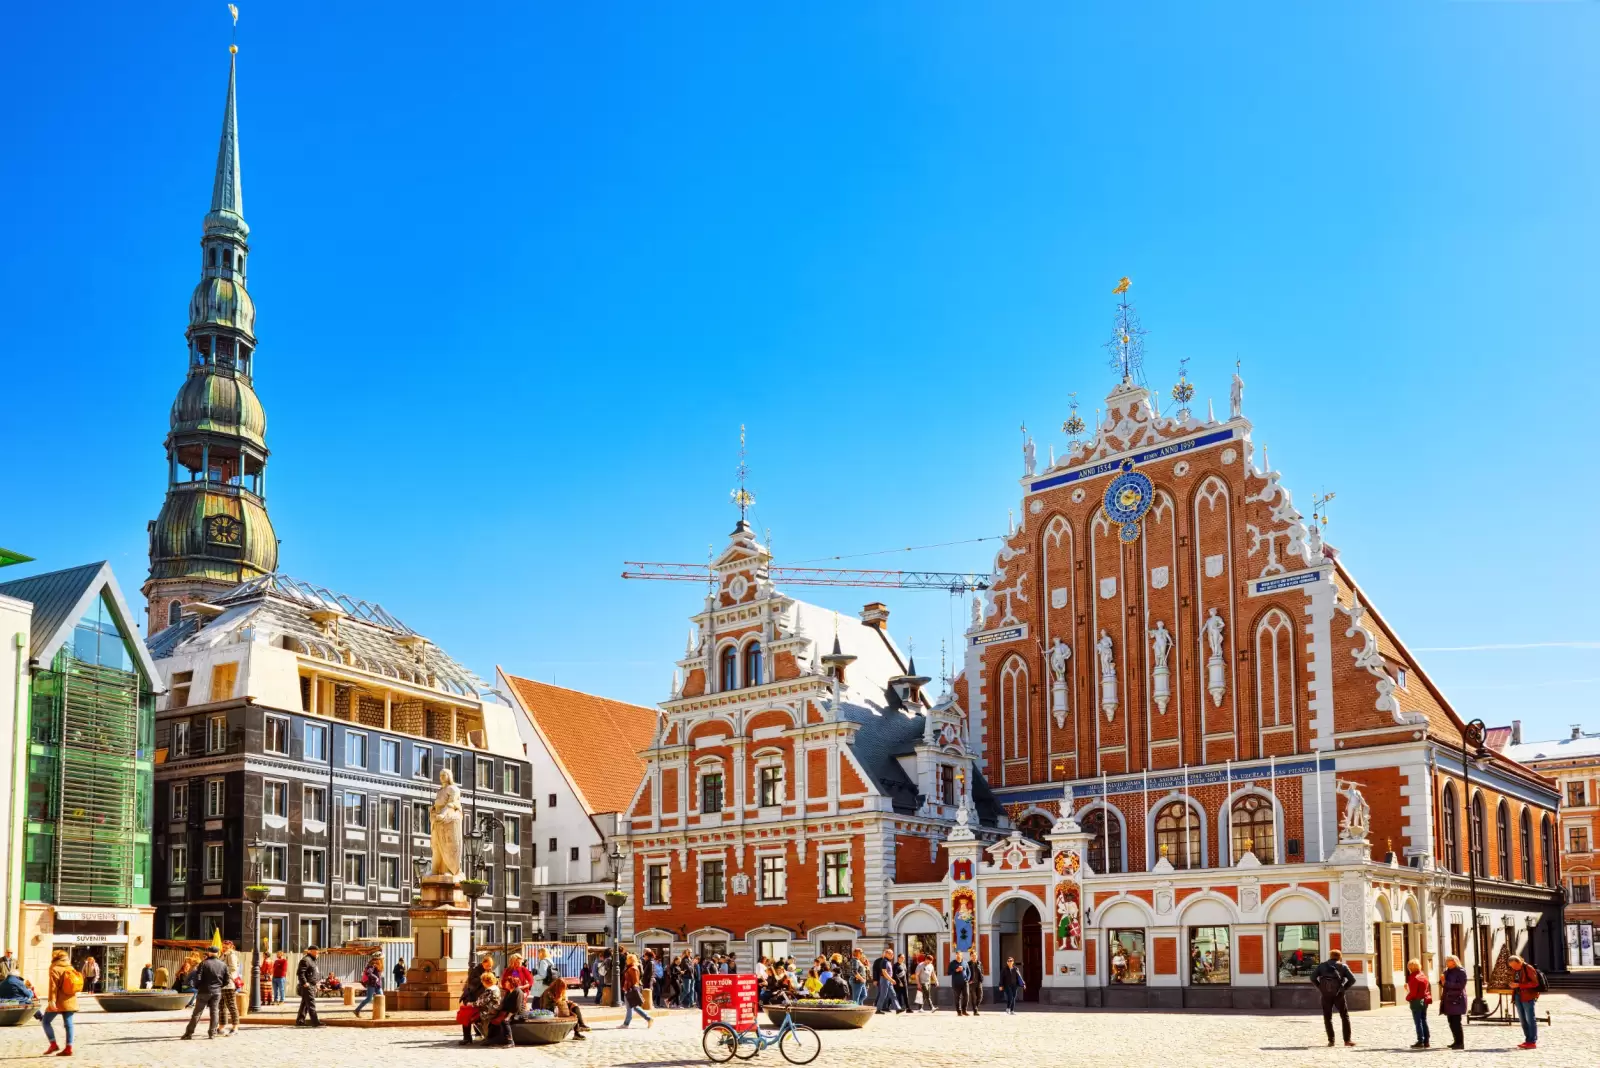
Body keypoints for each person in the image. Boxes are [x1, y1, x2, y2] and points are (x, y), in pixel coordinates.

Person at [181, 945, 230, 1040]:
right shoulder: (223, 965)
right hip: (216, 991)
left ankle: (189, 1033)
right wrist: (219, 986)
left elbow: (198, 977)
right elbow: (227, 980)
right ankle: (212, 1033)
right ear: (217, 953)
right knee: (215, 1012)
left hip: (204, 990)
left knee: (197, 1013)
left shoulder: (204, 963)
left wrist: (198, 986)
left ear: (209, 953)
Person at [1312, 949, 1357, 1047]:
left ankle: (1331, 1041)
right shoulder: (1343, 967)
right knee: (1344, 1016)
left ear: (1330, 956)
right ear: (1340, 957)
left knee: (1327, 1017)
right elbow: (1352, 980)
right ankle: (1347, 1040)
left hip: (1326, 995)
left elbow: (1312, 978)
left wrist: (1320, 987)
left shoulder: (1322, 966)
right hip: (1339, 995)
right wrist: (1344, 988)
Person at [42, 949, 80, 1057]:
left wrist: (51, 1001)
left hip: (58, 1001)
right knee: (69, 1024)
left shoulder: (54, 968)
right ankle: (69, 1048)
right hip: (70, 999)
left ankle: (53, 1044)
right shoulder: (71, 968)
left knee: (45, 1021)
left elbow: (53, 987)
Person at [1507, 954, 1542, 1050]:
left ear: (1519, 962)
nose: (1513, 968)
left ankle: (1532, 1041)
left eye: (1514, 965)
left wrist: (1519, 985)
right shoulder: (1515, 970)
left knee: (1530, 1019)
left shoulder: (1528, 968)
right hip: (1518, 996)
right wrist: (1513, 985)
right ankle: (1527, 1040)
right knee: (1522, 1020)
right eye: (1511, 966)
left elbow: (1535, 983)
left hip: (1528, 996)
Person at [1439, 954, 1468, 1050]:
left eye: (1448, 961)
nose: (1446, 962)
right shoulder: (1447, 972)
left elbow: (1461, 985)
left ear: (1454, 962)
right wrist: (1441, 981)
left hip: (1457, 1000)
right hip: (1448, 999)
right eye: (1446, 960)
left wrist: (1446, 983)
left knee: (1456, 1022)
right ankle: (1456, 1041)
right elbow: (1444, 984)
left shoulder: (1461, 971)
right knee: (1451, 1021)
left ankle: (1460, 1043)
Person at [1403, 957, 1431, 1049]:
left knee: (1418, 1021)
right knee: (1424, 1020)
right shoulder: (1423, 976)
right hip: (1425, 1000)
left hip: (1417, 1001)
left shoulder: (1414, 978)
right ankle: (1426, 1040)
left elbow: (1413, 993)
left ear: (1411, 968)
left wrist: (1407, 997)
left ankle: (1420, 1040)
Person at [620, 952, 653, 1029]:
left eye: (627, 959)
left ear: (630, 960)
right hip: (628, 989)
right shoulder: (629, 967)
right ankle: (648, 1018)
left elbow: (635, 981)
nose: (626, 960)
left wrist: (631, 989)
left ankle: (626, 1024)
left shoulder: (633, 969)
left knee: (630, 1007)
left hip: (630, 990)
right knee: (634, 1007)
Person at [295, 945, 322, 1027]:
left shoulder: (313, 960)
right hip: (307, 985)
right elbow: (300, 973)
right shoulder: (306, 960)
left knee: (305, 1004)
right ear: (310, 951)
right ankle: (315, 1022)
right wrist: (304, 983)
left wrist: (316, 984)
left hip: (312, 985)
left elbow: (313, 973)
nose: (317, 953)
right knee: (311, 1004)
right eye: (316, 952)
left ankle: (300, 1021)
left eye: (318, 952)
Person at [872, 946, 897, 1014]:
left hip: (887, 980)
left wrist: (891, 979)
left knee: (891, 994)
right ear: (885, 954)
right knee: (882, 994)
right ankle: (878, 1008)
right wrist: (875, 979)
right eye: (890, 954)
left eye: (892, 954)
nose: (892, 955)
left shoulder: (888, 961)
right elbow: (877, 971)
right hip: (883, 980)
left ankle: (895, 1008)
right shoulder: (880, 961)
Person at [948, 951, 971, 1015]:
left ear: (961, 956)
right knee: (957, 997)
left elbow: (969, 972)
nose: (958, 956)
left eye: (959, 955)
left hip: (964, 982)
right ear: (955, 956)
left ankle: (964, 1010)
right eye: (957, 955)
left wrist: (968, 979)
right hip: (956, 983)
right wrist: (956, 970)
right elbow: (948, 972)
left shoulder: (965, 962)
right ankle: (959, 1011)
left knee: (966, 996)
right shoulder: (952, 963)